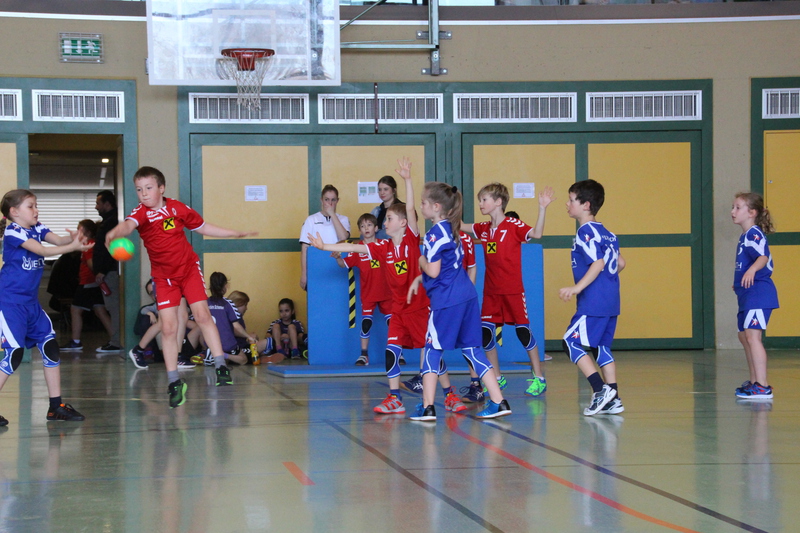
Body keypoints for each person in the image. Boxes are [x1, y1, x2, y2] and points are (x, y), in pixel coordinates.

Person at [308, 158, 464, 416]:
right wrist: (325, 246)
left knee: (432, 355)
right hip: (398, 310)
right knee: (391, 350)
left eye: (389, 218)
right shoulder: (382, 247)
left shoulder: (412, 239)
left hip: (420, 309)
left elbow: (410, 207)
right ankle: (395, 398)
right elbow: (354, 247)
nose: (384, 223)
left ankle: (449, 394)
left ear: (403, 223)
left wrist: (407, 179)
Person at [104, 166, 257, 408]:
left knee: (202, 315)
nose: (144, 193)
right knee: (168, 327)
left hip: (188, 271)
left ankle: (220, 366)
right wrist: (114, 232)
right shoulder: (140, 213)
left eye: (149, 188)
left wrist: (234, 233)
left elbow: (203, 226)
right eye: (139, 189)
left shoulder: (177, 208)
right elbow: (128, 226)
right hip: (164, 278)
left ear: (161, 188)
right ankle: (174, 381)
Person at [407, 182, 511, 421]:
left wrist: (420, 261)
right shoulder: (454, 231)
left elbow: (434, 271)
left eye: (423, 203)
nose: (421, 206)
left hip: (447, 300)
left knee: (432, 350)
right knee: (473, 351)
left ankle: (427, 407)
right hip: (467, 296)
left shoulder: (434, 234)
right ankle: (498, 401)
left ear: (436, 207)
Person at [0, 189, 89, 425]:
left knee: (50, 346)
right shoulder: (13, 231)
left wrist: (74, 238)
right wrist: (72, 248)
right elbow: (42, 251)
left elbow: (57, 241)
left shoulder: (37, 228)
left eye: (36, 205)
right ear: (14, 212)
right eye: (30, 206)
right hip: (9, 303)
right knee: (14, 354)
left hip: (30, 304)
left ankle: (55, 407)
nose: (36, 210)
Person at [461, 182, 554, 398]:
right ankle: (497, 377)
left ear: (498, 202)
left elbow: (537, 233)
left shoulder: (513, 225)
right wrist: (448, 207)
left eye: (484, 200)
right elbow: (461, 225)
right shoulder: (483, 228)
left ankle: (539, 377)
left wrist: (542, 208)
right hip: (491, 293)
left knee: (523, 332)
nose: (480, 204)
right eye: (480, 200)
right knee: (486, 335)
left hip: (512, 291)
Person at [559, 179, 626, 416]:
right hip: (611, 300)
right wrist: (605, 282)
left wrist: (577, 288)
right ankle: (614, 397)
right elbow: (620, 263)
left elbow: (598, 263)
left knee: (570, 342)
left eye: (571, 200)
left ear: (586, 205)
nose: (567, 204)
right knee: (601, 347)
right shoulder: (608, 233)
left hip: (594, 301)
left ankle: (600, 390)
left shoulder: (585, 231)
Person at [731, 192, 778, 400]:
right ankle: (754, 381)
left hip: (759, 293)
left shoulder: (753, 233)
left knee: (753, 337)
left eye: (737, 207)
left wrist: (751, 271)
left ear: (752, 212)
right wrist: (739, 280)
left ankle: (762, 385)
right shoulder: (745, 236)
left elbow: (763, 257)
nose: (733, 211)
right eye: (733, 207)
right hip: (747, 294)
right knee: (744, 336)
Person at [333, 213, 392, 366]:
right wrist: (338, 257)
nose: (366, 228)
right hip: (368, 294)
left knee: (393, 324)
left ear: (376, 228)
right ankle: (364, 355)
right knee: (366, 324)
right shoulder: (357, 249)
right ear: (359, 230)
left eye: (369, 225)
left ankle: (397, 353)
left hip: (387, 293)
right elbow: (343, 264)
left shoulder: (385, 244)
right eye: (363, 226)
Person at [61, 220, 115, 352]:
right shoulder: (93, 244)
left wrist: (96, 273)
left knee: (75, 309)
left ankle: (75, 341)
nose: (77, 232)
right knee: (100, 311)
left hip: (88, 283)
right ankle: (116, 340)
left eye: (80, 229)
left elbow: (92, 265)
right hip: (94, 283)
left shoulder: (88, 245)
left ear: (89, 232)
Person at [197, 272, 256, 366]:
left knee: (201, 329)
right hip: (227, 344)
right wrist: (248, 336)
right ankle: (223, 355)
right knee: (244, 360)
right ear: (225, 286)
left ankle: (207, 353)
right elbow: (236, 326)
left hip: (210, 343)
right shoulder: (228, 303)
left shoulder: (205, 303)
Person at [298, 185, 350, 291]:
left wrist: (332, 214)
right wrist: (304, 274)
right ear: (321, 200)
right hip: (317, 267)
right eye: (327, 199)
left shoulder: (343, 219)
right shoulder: (311, 220)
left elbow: (343, 237)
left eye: (333, 200)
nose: (330, 203)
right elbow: (305, 248)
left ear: (337, 201)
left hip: (337, 267)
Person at [93, 190, 122, 353]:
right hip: (107, 271)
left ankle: (117, 342)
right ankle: (116, 340)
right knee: (112, 307)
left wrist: (102, 270)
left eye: (98, 203)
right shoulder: (108, 221)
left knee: (114, 307)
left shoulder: (113, 222)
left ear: (107, 203)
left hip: (110, 272)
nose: (96, 207)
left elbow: (112, 249)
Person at [370, 175, 405, 240]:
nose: (382, 193)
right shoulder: (376, 211)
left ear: (394, 190)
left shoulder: (402, 208)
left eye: (386, 189)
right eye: (380, 190)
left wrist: (378, 233)